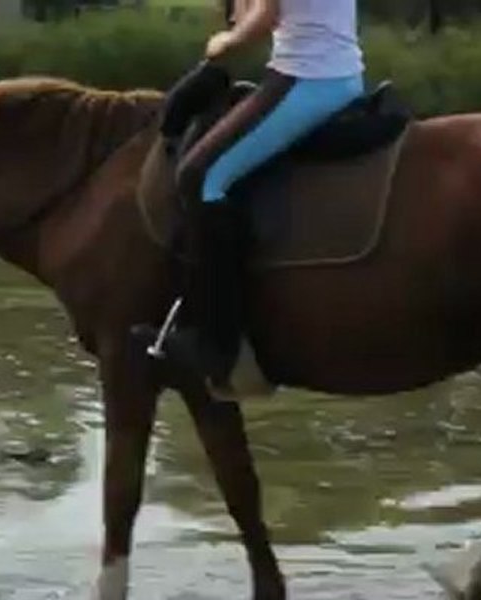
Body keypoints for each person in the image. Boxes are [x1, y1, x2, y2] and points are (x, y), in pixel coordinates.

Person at [155, 0, 367, 397]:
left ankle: (221, 346)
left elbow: (259, 24)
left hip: (306, 79)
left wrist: (222, 43)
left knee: (200, 178)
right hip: (335, 73)